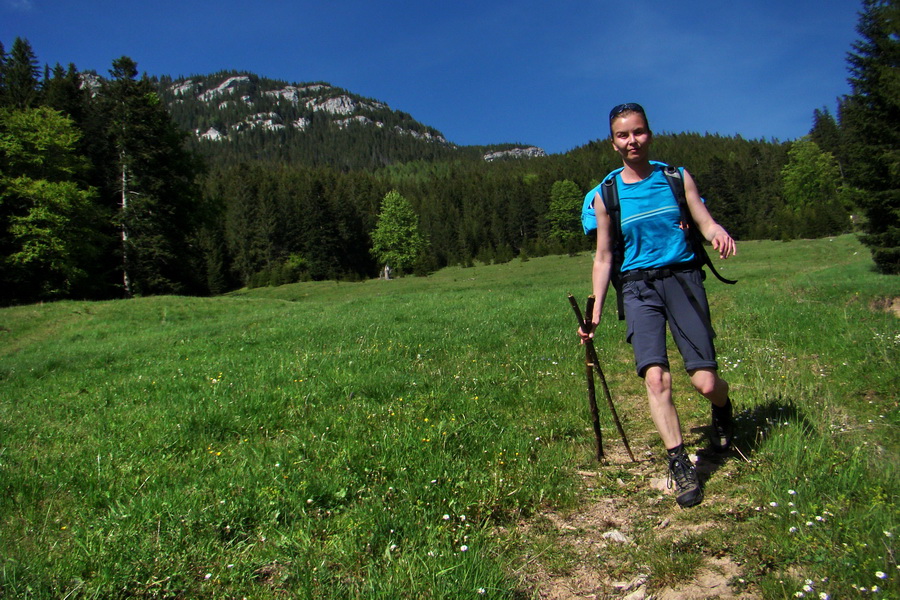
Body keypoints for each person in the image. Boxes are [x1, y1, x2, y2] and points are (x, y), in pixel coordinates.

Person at [578, 103, 736, 508]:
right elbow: (603, 256)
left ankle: (723, 406)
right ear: (613, 142)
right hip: (637, 289)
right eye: (622, 135)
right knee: (656, 378)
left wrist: (716, 230)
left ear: (649, 133)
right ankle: (679, 462)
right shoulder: (606, 194)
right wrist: (595, 307)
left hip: (682, 281)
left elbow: (702, 218)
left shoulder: (675, 177)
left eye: (638, 132)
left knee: (704, 381)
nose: (632, 141)